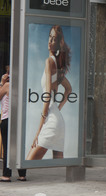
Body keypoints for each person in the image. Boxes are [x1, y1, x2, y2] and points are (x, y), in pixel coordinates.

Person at [26, 25, 72, 160]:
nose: (50, 41)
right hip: (58, 121)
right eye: (49, 37)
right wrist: (58, 108)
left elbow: (47, 97)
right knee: (59, 167)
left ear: (58, 44)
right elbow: (69, 89)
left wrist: (38, 130)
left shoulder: (49, 62)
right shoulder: (57, 65)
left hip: (51, 121)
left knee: (28, 163)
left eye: (54, 39)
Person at [0, 66, 27, 182]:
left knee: (7, 148)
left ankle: (6, 175)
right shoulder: (22, 86)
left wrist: (2, 83)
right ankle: (22, 174)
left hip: (8, 119)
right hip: (20, 120)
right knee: (19, 147)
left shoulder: (8, 85)